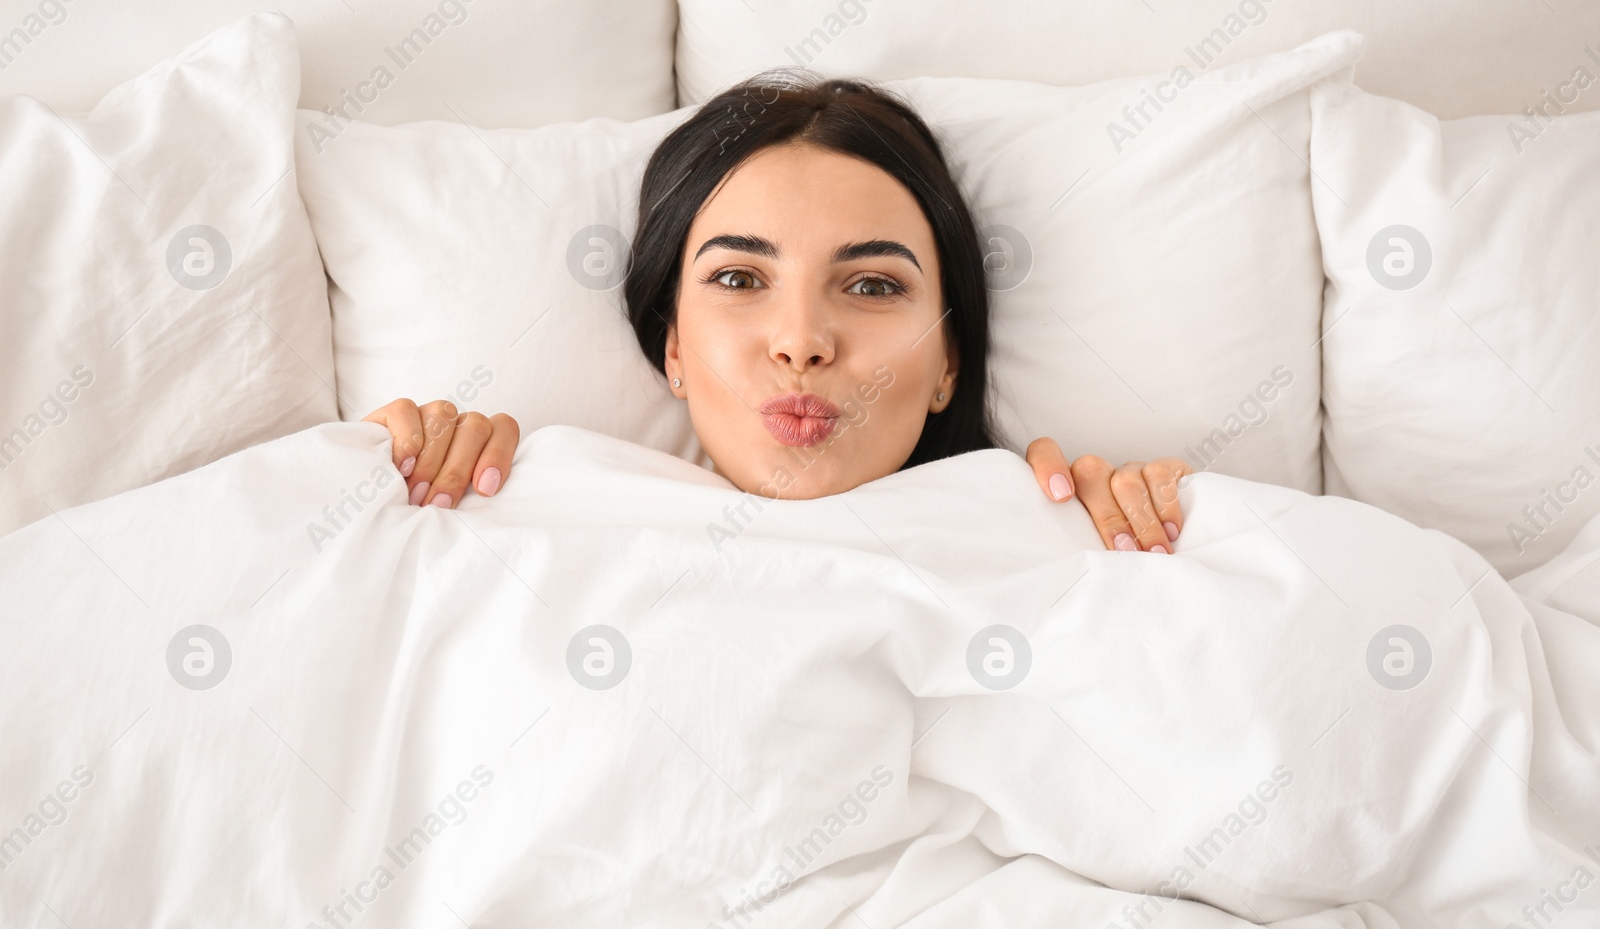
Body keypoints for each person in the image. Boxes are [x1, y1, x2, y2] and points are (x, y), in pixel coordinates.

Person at [363, 73, 1190, 553]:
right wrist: (373, 480)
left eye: (871, 286)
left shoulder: (1054, 540)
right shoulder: (526, 518)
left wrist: (1162, 533)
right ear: (672, 344)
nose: (802, 343)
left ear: (949, 361)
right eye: (738, 278)